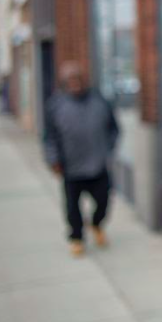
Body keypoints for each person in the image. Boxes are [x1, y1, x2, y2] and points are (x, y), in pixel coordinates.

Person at [44, 61, 119, 257]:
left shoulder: (99, 101)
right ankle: (76, 238)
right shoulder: (56, 105)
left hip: (98, 164)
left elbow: (113, 128)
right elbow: (49, 137)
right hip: (71, 167)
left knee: (104, 201)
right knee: (72, 208)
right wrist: (53, 160)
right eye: (71, 80)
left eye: (78, 78)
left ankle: (96, 224)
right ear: (64, 82)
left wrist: (108, 149)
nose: (75, 83)